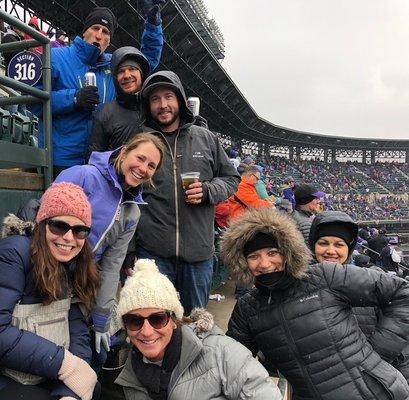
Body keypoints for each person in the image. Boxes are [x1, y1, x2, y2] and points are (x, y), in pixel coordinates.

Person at [223, 207, 409, 400]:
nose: (264, 263)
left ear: (288, 252)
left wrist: (377, 353)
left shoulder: (323, 276)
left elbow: (402, 292)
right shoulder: (247, 308)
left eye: (272, 252)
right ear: (243, 262)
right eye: (253, 256)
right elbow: (233, 363)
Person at [53, 133, 165, 366]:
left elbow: (113, 264)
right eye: (140, 158)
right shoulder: (83, 176)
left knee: (98, 355)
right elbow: (46, 224)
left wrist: (101, 316)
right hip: (50, 277)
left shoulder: (132, 211)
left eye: (151, 166)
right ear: (124, 152)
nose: (143, 168)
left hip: (80, 290)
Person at [135, 70, 240, 314]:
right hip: (154, 255)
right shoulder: (141, 142)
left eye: (168, 97)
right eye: (155, 99)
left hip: (198, 255)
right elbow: (127, 196)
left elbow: (231, 178)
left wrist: (208, 190)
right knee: (157, 322)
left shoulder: (206, 138)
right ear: (148, 106)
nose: (163, 105)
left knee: (195, 325)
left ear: (180, 100)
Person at [114, 258, 282, 400]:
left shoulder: (220, 352)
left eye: (157, 319)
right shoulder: (128, 375)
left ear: (174, 320)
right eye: (135, 321)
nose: (147, 331)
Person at [30, 5, 164, 176]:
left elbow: (145, 63)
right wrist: (73, 99)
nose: (99, 35)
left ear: (109, 41)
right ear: (85, 31)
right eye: (95, 28)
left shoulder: (113, 65)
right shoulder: (55, 57)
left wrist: (153, 26)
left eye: (106, 32)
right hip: (61, 160)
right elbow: (33, 101)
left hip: (100, 163)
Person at [0, 182, 100, 400]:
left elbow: (77, 328)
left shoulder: (76, 264)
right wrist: (66, 365)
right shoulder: (14, 253)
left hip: (48, 371)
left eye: (80, 230)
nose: (68, 238)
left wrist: (68, 392)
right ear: (43, 223)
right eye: (59, 226)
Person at [309, 210, 409, 383]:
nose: (331, 251)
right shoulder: (299, 285)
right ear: (313, 246)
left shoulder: (373, 279)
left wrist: (373, 357)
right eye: (323, 243)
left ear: (349, 249)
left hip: (377, 380)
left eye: (339, 244)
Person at [87, 46, 151, 157]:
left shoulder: (155, 108)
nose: (127, 75)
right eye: (121, 71)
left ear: (142, 74)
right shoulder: (106, 113)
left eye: (132, 69)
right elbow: (94, 157)